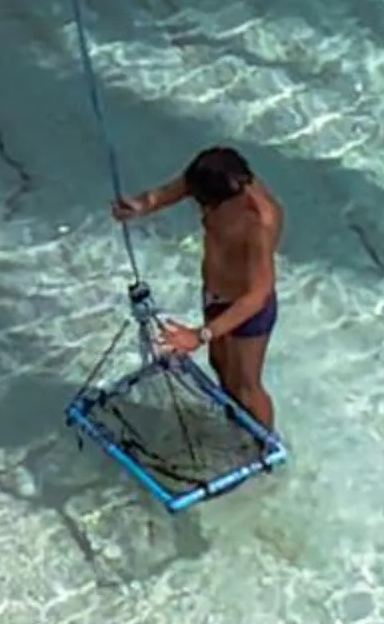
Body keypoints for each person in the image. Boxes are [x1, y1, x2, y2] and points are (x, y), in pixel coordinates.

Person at [111, 145, 283, 430]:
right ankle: (238, 427)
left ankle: (265, 448)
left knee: (246, 386)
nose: (203, 211)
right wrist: (141, 205)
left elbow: (257, 295)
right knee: (220, 366)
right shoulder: (212, 176)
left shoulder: (258, 223)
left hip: (246, 307)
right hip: (214, 293)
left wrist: (199, 335)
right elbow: (168, 192)